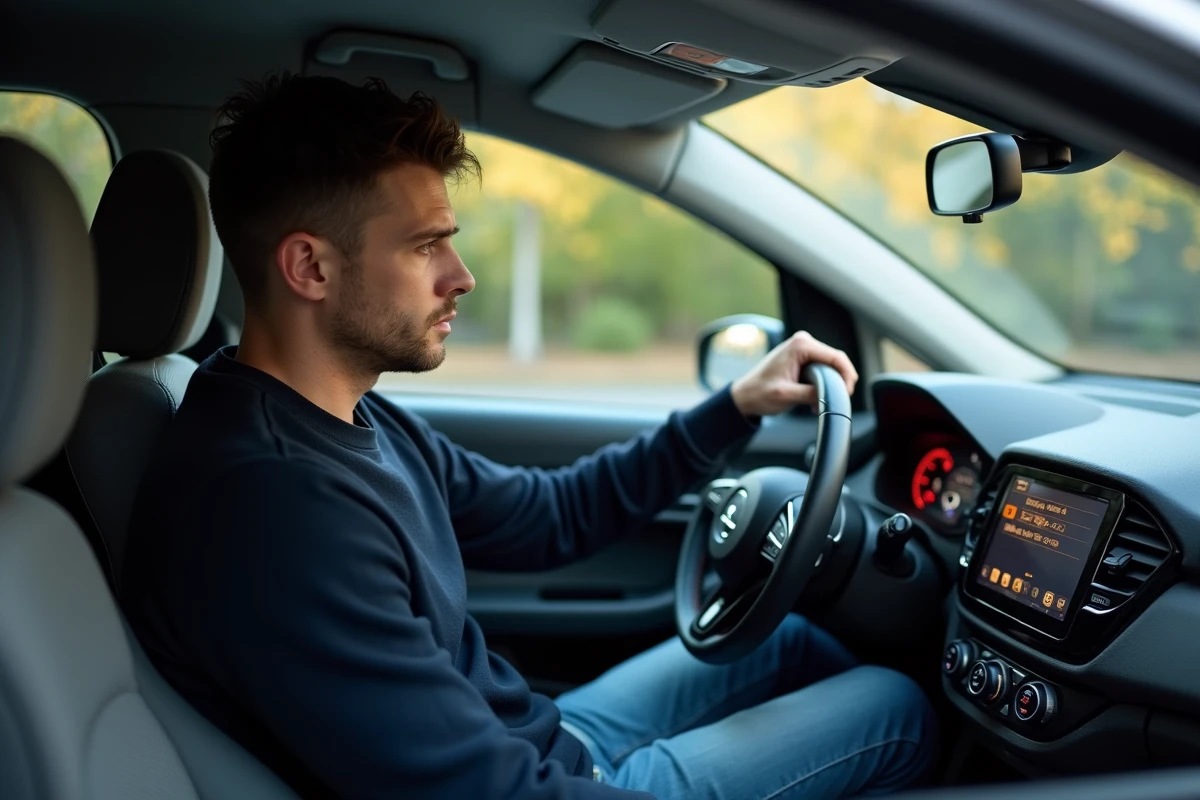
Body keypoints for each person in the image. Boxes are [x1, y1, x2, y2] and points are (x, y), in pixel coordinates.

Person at [122, 73, 936, 800]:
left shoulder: (338, 414)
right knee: (898, 712)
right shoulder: (274, 509)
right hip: (547, 778)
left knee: (789, 636)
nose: (460, 276)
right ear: (311, 268)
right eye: (424, 245)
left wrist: (736, 406)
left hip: (545, 741)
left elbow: (550, 516)